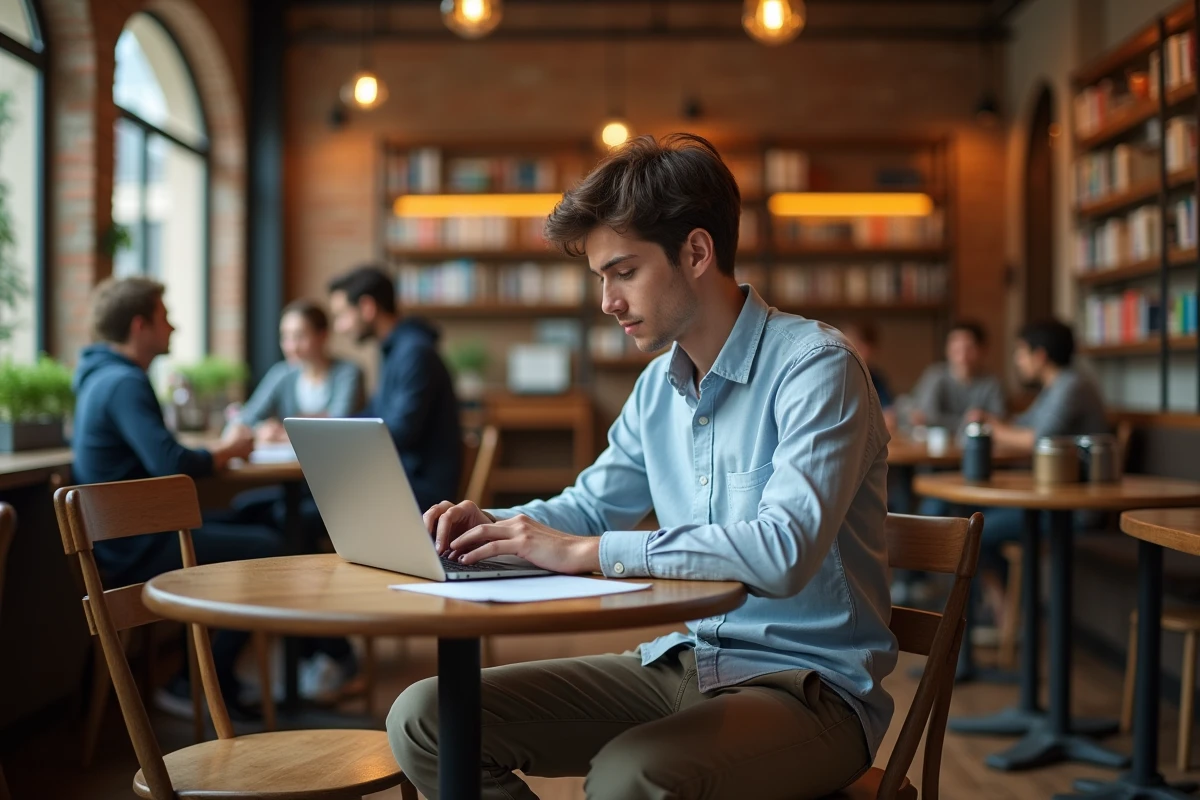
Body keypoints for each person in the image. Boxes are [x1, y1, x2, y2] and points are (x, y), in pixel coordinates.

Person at [387, 134, 896, 800]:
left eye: (623, 272)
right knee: (426, 719)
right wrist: (496, 527)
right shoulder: (659, 386)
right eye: (601, 277)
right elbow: (593, 508)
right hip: (690, 661)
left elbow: (783, 552)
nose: (607, 301)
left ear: (695, 252)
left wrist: (592, 552)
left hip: (809, 690)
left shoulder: (815, 367)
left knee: (631, 776)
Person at [71, 277, 284, 717]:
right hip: (134, 547)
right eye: (164, 318)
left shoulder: (101, 378)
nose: (173, 327)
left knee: (254, 520)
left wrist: (219, 454)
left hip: (123, 538)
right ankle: (194, 682)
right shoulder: (122, 383)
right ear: (139, 326)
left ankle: (213, 678)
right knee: (268, 548)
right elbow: (171, 462)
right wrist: (229, 451)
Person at [966, 318, 1109, 625]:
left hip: (1076, 508)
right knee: (973, 521)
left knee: (975, 533)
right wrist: (995, 423)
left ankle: (1007, 618)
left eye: (1020, 352)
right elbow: (1022, 426)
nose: (1018, 360)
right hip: (1054, 497)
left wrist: (991, 426)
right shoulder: (1056, 386)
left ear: (1040, 355)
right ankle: (1004, 615)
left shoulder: (1073, 386)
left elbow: (1038, 438)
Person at [327, 265, 461, 512]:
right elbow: (375, 415)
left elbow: (400, 432)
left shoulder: (413, 353)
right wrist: (325, 428)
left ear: (367, 308)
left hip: (421, 491)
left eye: (342, 315)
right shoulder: (394, 350)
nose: (340, 327)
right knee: (274, 505)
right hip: (400, 479)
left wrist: (330, 442)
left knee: (291, 510)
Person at [228, 299, 363, 442]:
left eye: (300, 336)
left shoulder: (347, 373)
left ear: (323, 336)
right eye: (285, 337)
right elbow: (247, 417)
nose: (291, 347)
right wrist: (260, 430)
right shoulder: (281, 373)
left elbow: (337, 425)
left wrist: (283, 434)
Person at [910, 320, 1006, 432]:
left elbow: (998, 421)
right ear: (947, 350)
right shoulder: (935, 375)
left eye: (969, 349)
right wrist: (967, 422)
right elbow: (925, 416)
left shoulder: (991, 383)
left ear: (982, 350)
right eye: (956, 350)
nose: (962, 356)